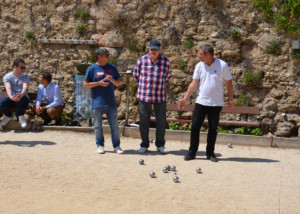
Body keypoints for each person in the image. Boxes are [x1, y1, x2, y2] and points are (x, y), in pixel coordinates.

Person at [178, 44, 235, 162]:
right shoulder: (199, 66)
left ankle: (210, 153)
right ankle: (192, 152)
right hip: (201, 102)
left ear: (208, 54)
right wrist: (185, 98)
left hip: (216, 103)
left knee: (213, 129)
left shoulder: (222, 65)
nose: (198, 56)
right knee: (194, 126)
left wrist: (231, 100)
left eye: (200, 54)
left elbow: (229, 83)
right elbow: (194, 83)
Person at [133, 40, 171, 154]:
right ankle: (144, 144)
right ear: (148, 49)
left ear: (160, 50)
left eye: (155, 49)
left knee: (161, 122)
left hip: (159, 96)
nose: (153, 51)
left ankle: (160, 145)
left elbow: (168, 77)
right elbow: (136, 76)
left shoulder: (165, 61)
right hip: (144, 96)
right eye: (151, 49)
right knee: (144, 121)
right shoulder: (141, 60)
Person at [84, 47, 124, 154]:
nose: (108, 57)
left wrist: (112, 80)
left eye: (108, 55)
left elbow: (118, 83)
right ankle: (100, 145)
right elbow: (85, 84)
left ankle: (116, 146)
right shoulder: (91, 69)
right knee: (97, 125)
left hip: (110, 101)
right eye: (106, 55)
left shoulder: (112, 67)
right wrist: (99, 83)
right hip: (97, 102)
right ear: (99, 56)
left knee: (114, 125)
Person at [0, 59, 30, 128]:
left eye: (24, 68)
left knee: (16, 94)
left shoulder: (26, 77)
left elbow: (25, 88)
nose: (23, 69)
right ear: (15, 67)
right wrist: (11, 97)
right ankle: (9, 116)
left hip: (24, 98)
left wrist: (20, 95)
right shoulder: (7, 77)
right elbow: (8, 88)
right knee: (1, 103)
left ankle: (21, 116)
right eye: (21, 67)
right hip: (12, 97)